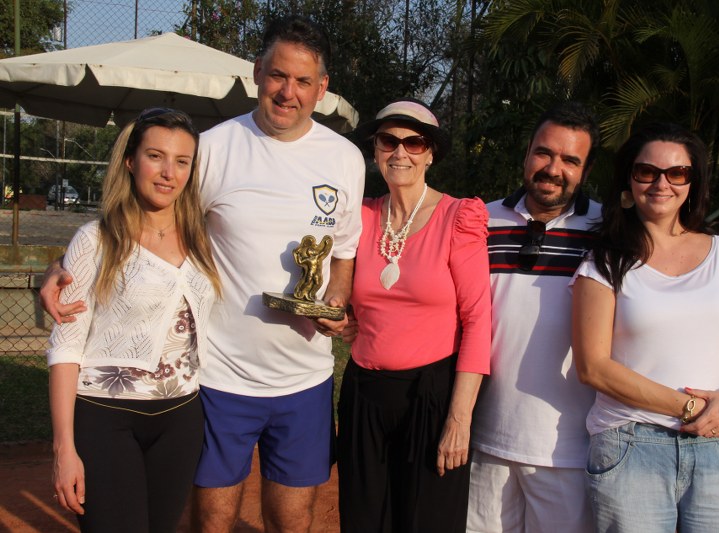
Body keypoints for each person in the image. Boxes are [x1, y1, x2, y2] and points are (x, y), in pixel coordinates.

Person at [40, 16, 365, 532]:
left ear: (321, 88)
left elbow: (343, 250)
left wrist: (336, 299)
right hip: (218, 377)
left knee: (294, 518)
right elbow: (146, 219)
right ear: (257, 72)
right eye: (278, 75)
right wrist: (64, 266)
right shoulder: (213, 147)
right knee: (212, 519)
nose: (289, 92)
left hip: (305, 379)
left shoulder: (345, 158)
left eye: (304, 81)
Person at [571, 122, 719, 532]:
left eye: (677, 173)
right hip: (629, 444)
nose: (661, 184)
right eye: (646, 172)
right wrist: (691, 409)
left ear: (692, 181)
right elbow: (593, 367)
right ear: (629, 180)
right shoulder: (604, 262)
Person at [47, 108, 222, 532]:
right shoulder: (95, 239)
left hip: (181, 416)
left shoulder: (205, 238)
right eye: (155, 156)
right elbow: (65, 347)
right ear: (130, 161)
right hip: (106, 417)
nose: (168, 173)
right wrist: (63, 449)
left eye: (181, 161)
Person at [338, 98, 491, 532]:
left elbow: (478, 320)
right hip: (364, 393)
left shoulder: (457, 217)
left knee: (427, 522)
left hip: (432, 398)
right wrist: (344, 315)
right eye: (388, 141)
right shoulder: (360, 215)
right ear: (375, 149)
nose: (400, 152)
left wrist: (459, 418)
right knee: (363, 521)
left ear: (430, 154)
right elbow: (340, 289)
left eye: (414, 143)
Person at [466, 102, 602, 533]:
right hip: (483, 439)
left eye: (570, 160)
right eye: (544, 153)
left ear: (585, 170)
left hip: (569, 449)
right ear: (527, 153)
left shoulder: (609, 231)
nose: (553, 169)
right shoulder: (480, 220)